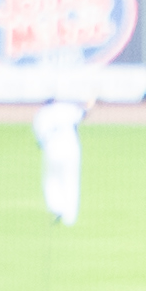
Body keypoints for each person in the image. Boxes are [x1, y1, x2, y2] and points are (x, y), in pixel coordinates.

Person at [33, 91, 86, 227]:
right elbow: (83, 115)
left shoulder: (41, 114)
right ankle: (70, 217)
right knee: (71, 181)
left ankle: (56, 207)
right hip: (71, 149)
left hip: (52, 150)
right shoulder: (66, 108)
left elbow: (40, 140)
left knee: (51, 179)